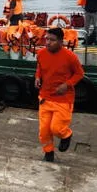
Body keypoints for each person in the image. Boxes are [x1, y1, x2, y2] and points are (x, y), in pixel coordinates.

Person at [34, 27, 84, 162]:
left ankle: (66, 135)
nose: (48, 42)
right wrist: (37, 77)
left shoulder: (70, 57)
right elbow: (40, 67)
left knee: (56, 128)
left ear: (61, 42)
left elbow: (79, 74)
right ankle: (48, 153)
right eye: (47, 39)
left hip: (63, 99)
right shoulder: (41, 54)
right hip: (45, 97)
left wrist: (67, 85)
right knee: (44, 130)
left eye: (52, 40)